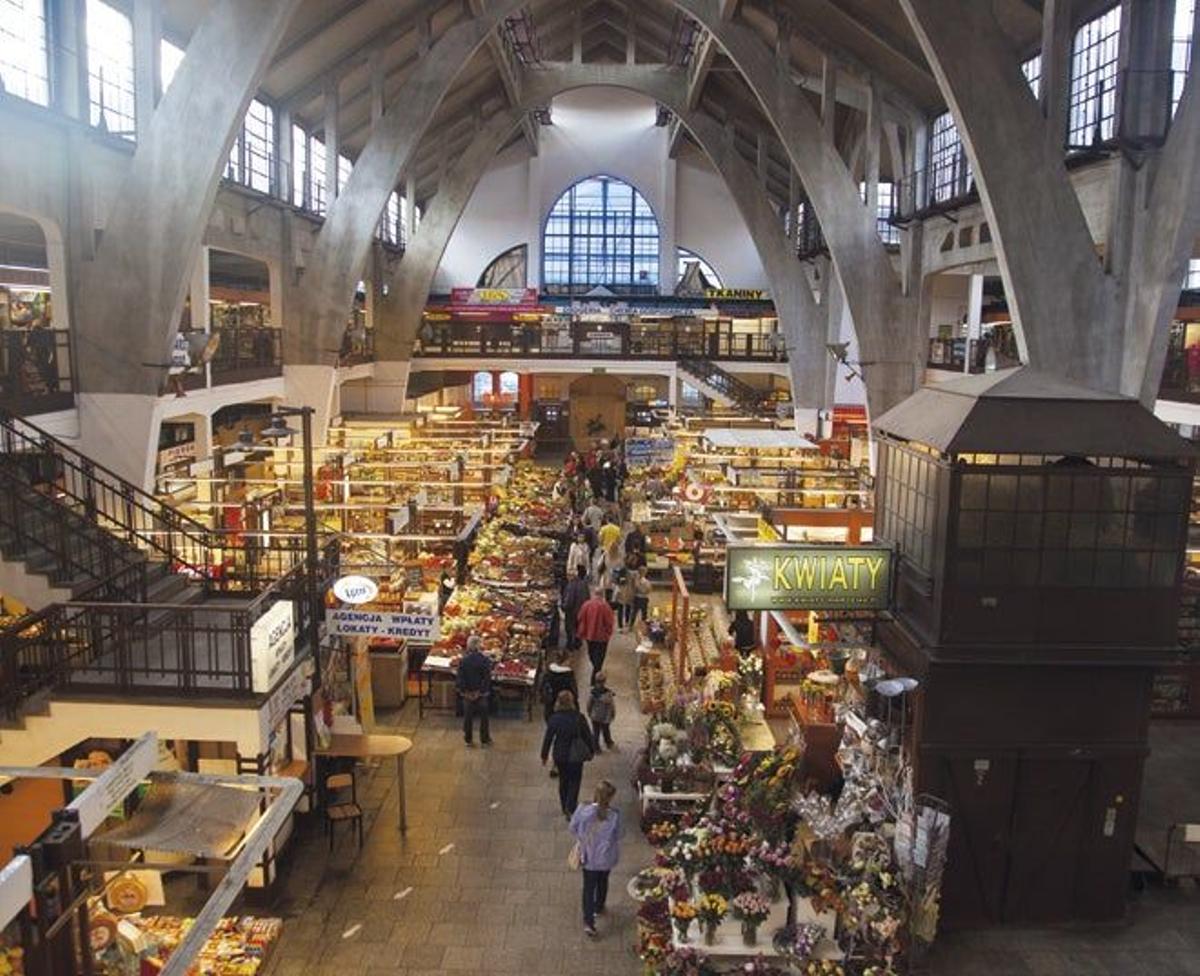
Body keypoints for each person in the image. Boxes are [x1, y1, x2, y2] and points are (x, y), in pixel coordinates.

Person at [569, 780, 621, 938]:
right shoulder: (614, 815)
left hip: (588, 857)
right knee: (603, 881)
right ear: (610, 798)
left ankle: (589, 922)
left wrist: (582, 837)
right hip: (606, 858)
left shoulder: (582, 809)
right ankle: (599, 906)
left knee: (588, 888)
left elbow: (572, 828)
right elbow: (619, 834)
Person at [542, 690, 595, 817]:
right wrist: (591, 750)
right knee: (575, 781)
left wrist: (544, 755)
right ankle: (571, 807)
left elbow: (548, 738)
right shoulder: (579, 717)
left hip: (560, 754)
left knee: (563, 780)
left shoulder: (554, 719)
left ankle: (564, 805)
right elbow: (587, 735)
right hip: (575, 755)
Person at [456, 635, 493, 747]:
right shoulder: (485, 660)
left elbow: (460, 678)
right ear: (479, 646)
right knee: (484, 717)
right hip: (481, 694)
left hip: (467, 694)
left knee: (468, 717)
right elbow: (487, 678)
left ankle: (468, 739)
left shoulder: (463, 661)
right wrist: (480, 692)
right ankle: (484, 739)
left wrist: (465, 692)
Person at [576, 586, 615, 685]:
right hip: (602, 638)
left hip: (589, 635)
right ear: (602, 595)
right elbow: (610, 622)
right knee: (600, 658)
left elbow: (580, 617)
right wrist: (608, 632)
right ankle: (596, 678)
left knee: (591, 654)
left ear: (594, 593)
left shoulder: (586, 604)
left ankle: (595, 675)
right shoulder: (606, 606)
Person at [562, 565, 590, 651]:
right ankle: (578, 643)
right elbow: (588, 597)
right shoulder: (584, 583)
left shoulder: (572, 585)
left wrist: (564, 607)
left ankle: (570, 645)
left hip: (572, 611)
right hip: (581, 610)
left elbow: (569, 600)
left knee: (570, 628)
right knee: (578, 627)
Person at [587, 673, 616, 752]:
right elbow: (612, 705)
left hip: (595, 715)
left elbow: (589, 704)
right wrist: (613, 713)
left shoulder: (593, 694)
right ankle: (608, 742)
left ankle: (596, 747)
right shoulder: (608, 693)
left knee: (596, 731)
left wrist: (589, 712)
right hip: (605, 716)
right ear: (604, 681)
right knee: (606, 729)